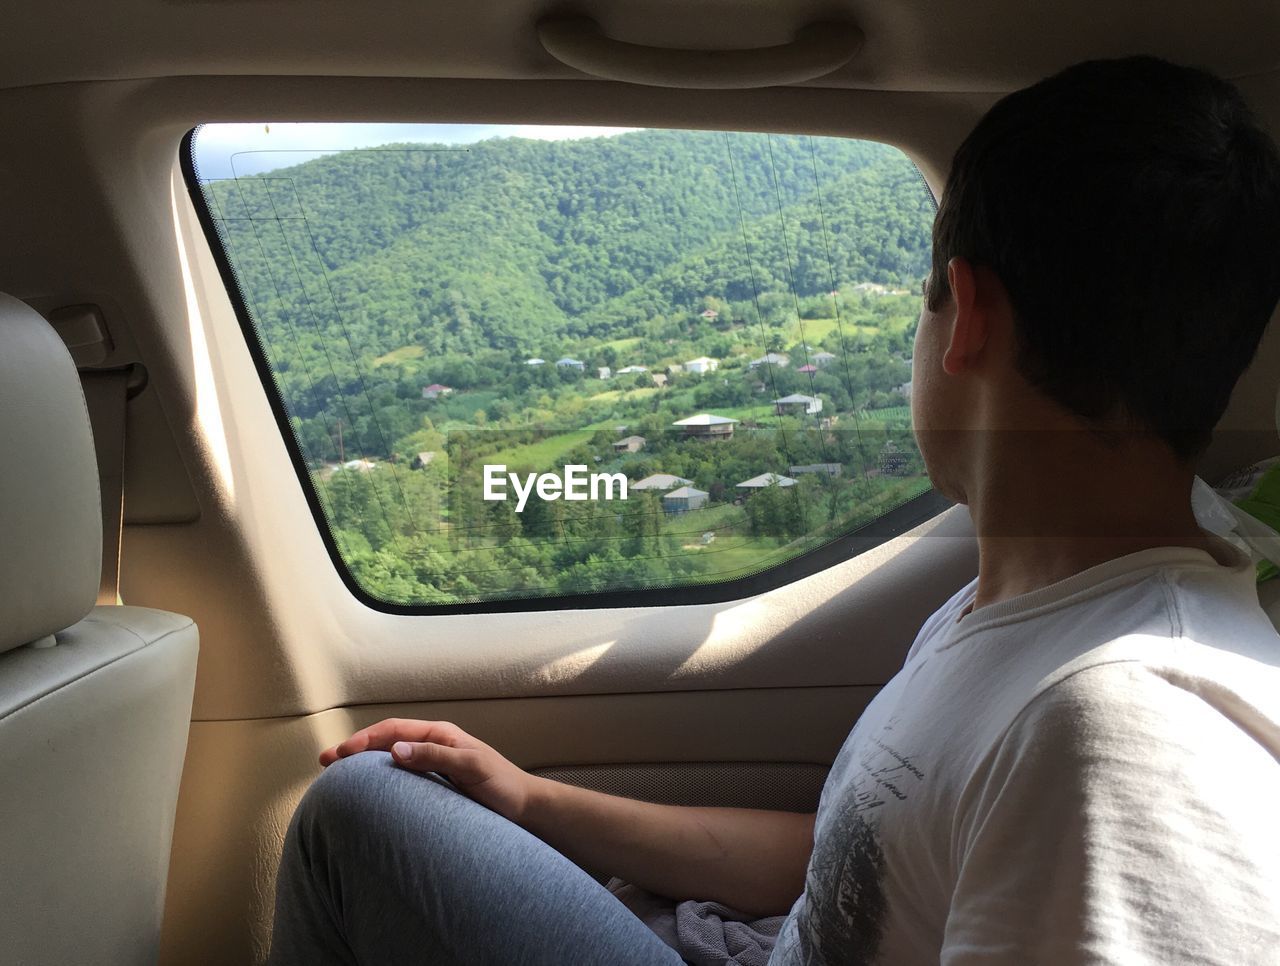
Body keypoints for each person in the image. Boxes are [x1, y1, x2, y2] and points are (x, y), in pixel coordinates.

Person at [267, 56, 1280, 965]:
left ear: (965, 314)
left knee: (350, 817)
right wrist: (531, 802)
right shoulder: (1013, 611)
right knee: (382, 808)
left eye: (919, 302)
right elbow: (848, 862)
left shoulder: (1125, 730)